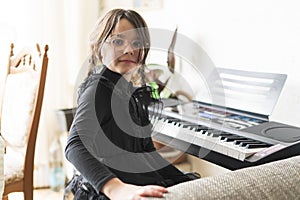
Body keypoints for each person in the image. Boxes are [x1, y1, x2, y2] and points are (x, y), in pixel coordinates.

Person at [65, 8, 197, 200]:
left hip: (134, 178)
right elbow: (75, 146)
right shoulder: (99, 89)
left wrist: (185, 181)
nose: (130, 50)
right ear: (99, 47)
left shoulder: (128, 90)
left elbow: (146, 152)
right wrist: (116, 189)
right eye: (118, 41)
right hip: (106, 189)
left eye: (137, 43)